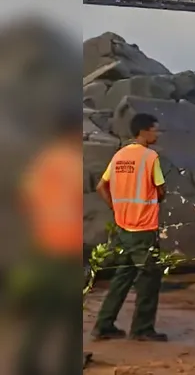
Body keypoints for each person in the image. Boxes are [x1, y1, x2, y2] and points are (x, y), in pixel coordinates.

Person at [17, 108, 85, 373]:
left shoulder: (43, 162)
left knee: (40, 314)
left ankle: (27, 361)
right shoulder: (72, 163)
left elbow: (27, 200)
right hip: (66, 248)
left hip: (42, 246)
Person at [91, 113, 168, 342]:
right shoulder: (150, 157)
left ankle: (104, 324)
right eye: (155, 129)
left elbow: (100, 187)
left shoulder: (119, 156)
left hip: (123, 227)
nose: (157, 133)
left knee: (123, 276)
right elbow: (161, 190)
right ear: (144, 131)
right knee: (149, 277)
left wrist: (116, 208)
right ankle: (142, 329)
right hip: (143, 228)